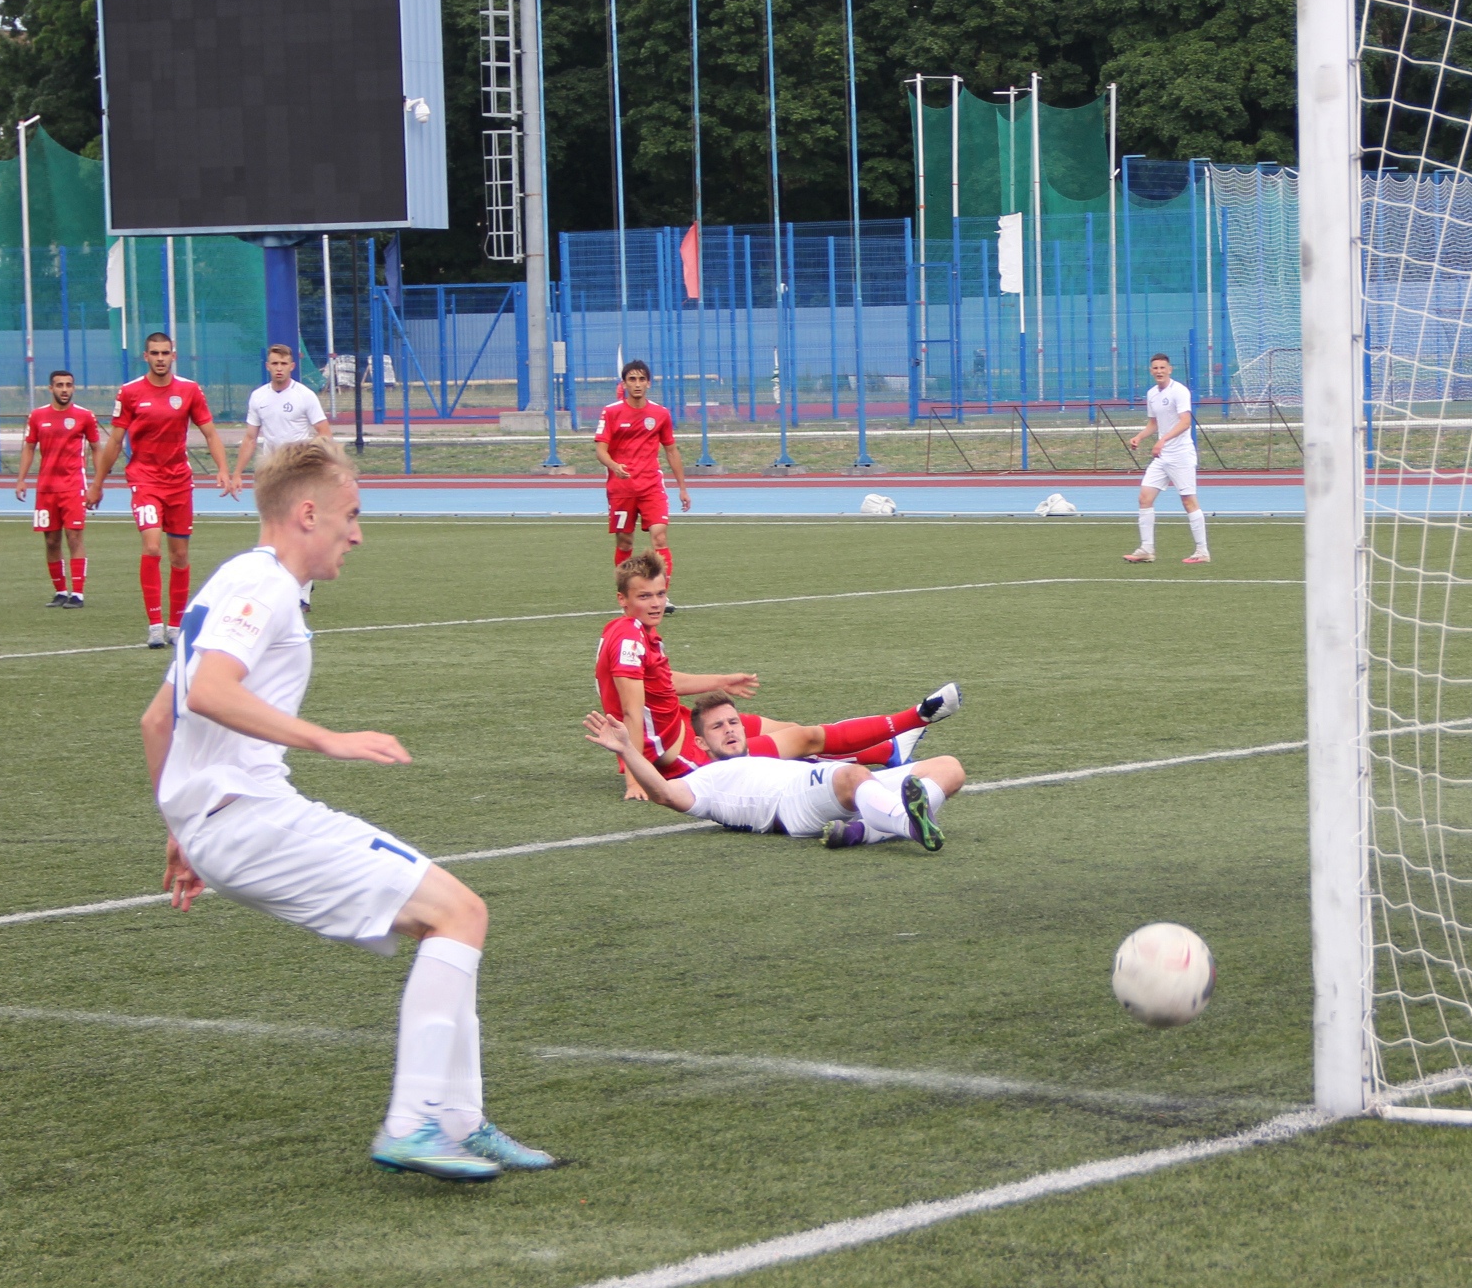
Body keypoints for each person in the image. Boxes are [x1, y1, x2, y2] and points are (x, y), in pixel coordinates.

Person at [144, 438, 553, 1181]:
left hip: (223, 821)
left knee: (456, 914)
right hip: (248, 816)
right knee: (460, 914)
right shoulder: (262, 584)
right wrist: (325, 738)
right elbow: (206, 692)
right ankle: (415, 1122)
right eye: (351, 515)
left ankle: (457, 1119)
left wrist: (180, 827)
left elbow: (157, 720)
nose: (357, 534)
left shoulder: (237, 582)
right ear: (307, 514)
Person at [595, 552, 959, 798]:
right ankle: (914, 718)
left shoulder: (631, 630)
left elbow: (661, 683)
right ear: (623, 599)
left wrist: (721, 681)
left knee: (783, 727)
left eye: (660, 594)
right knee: (804, 740)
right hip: (685, 755)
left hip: (682, 726)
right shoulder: (630, 638)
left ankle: (886, 749)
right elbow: (630, 712)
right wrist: (633, 776)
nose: (656, 603)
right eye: (644, 596)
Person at [583, 697, 963, 851]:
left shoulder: (763, 755)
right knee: (852, 775)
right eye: (718, 727)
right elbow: (664, 794)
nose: (730, 729)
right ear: (700, 743)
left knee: (949, 768)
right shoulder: (705, 779)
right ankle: (909, 824)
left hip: (820, 788)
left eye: (734, 722)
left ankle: (868, 830)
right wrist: (628, 750)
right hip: (790, 805)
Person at [88, 331, 239, 648]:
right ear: (145, 356)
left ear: (174, 355)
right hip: (144, 479)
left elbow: (210, 433)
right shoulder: (129, 393)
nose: (159, 358)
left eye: (164, 353)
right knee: (153, 546)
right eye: (154, 353)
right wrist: (97, 483)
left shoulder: (189, 390)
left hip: (179, 481)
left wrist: (223, 470)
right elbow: (115, 440)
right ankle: (155, 624)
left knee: (180, 556)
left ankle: (176, 625)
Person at [594, 361, 690, 604]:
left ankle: (660, 596)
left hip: (651, 487)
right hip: (621, 489)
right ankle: (629, 596)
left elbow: (671, 450)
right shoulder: (611, 412)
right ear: (624, 383)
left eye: (641, 379)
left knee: (659, 538)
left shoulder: (660, 414)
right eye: (632, 379)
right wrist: (615, 466)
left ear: (649, 382)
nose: (637, 384)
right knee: (625, 541)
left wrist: (682, 488)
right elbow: (600, 450)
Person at [13, 370, 106, 607]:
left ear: (73, 388)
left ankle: (78, 594)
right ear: (50, 388)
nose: (65, 389)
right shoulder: (37, 416)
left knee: (74, 536)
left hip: (73, 487)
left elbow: (96, 448)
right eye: (60, 385)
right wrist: (21, 479)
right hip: (46, 489)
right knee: (51, 541)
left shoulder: (85, 416)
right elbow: (29, 447)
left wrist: (98, 483)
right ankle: (60, 591)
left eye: (69, 385)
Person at [1123, 353, 1209, 566]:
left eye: (1163, 367)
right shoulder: (1152, 394)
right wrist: (1140, 437)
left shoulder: (1179, 391)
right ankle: (1147, 549)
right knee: (1144, 497)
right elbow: (1154, 423)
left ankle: (1202, 551)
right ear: (1151, 371)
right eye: (1155, 368)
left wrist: (1163, 441)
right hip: (1163, 456)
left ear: (1170, 369)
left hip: (1181, 454)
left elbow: (1185, 422)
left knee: (1188, 501)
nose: (1159, 371)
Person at [236, 344, 332, 475]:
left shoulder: (305, 395)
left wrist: (311, 457)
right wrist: (237, 473)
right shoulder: (258, 396)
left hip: (299, 468)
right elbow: (250, 438)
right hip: (271, 469)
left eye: (283, 363)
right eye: (275, 363)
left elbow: (324, 433)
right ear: (267, 366)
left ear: (291, 366)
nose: (279, 368)